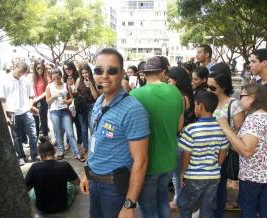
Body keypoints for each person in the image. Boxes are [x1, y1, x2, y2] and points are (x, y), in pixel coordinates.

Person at [80, 48, 150, 218]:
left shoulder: (133, 110)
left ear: (122, 73)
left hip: (114, 189)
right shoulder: (98, 101)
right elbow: (96, 139)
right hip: (94, 183)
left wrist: (129, 204)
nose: (104, 75)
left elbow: (141, 161)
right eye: (98, 70)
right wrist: (86, 171)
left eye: (112, 70)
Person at [218, 84, 267, 218]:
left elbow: (246, 151)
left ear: (252, 98)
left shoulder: (254, 119)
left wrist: (226, 128)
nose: (239, 99)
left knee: (249, 209)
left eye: (242, 96)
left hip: (253, 177)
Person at [130, 56, 184, 218]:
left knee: (148, 209)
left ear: (144, 74)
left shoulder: (135, 94)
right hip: (168, 159)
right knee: (162, 201)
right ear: (162, 72)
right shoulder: (175, 91)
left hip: (147, 162)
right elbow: (179, 127)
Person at [177, 91, 229, 217]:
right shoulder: (222, 129)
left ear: (200, 106)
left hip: (194, 176)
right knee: (208, 207)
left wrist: (182, 173)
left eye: (195, 105)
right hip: (214, 176)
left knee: (184, 204)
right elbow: (222, 157)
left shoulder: (191, 129)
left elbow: (186, 155)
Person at [207, 63, 245, 217]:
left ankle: (217, 213)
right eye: (207, 86)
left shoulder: (234, 105)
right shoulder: (208, 100)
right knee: (208, 186)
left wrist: (225, 131)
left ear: (223, 87)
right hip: (206, 151)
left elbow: (241, 132)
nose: (209, 90)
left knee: (220, 186)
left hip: (224, 153)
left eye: (212, 87)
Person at [0, 61, 38, 166]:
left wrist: (30, 105)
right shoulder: (4, 81)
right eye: (20, 72)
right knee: (16, 137)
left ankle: (34, 155)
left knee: (33, 134)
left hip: (26, 111)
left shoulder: (25, 80)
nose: (21, 74)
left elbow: (31, 96)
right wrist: (6, 116)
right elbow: (2, 100)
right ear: (15, 68)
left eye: (23, 73)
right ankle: (21, 157)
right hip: (12, 112)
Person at [167, 66, 195, 211]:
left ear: (177, 81)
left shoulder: (180, 98)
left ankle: (178, 201)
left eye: (170, 80)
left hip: (181, 139)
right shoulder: (186, 95)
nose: (168, 83)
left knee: (177, 175)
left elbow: (178, 123)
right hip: (185, 139)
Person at [25, 140, 80, 214]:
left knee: (32, 192)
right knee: (72, 185)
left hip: (42, 207)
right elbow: (77, 182)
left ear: (40, 154)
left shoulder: (34, 167)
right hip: (62, 205)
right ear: (54, 151)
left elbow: (25, 188)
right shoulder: (65, 165)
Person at [45, 68, 84, 161]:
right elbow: (47, 101)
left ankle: (77, 154)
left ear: (61, 76)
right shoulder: (49, 87)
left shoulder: (66, 86)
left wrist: (66, 101)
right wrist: (54, 96)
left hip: (65, 111)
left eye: (58, 78)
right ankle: (61, 152)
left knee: (70, 133)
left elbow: (71, 99)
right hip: (54, 112)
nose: (56, 80)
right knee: (58, 132)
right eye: (54, 78)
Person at [75, 63, 99, 154]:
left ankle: (93, 147)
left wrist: (90, 85)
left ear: (90, 72)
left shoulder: (94, 80)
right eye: (83, 73)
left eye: (87, 72)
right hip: (81, 107)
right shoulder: (78, 80)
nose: (85, 75)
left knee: (92, 128)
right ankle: (85, 146)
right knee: (84, 128)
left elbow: (96, 96)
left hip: (91, 106)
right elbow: (76, 93)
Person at [63, 61, 82, 148]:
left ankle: (79, 141)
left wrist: (73, 85)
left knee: (78, 123)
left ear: (72, 68)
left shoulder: (78, 77)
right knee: (68, 124)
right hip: (67, 104)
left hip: (77, 103)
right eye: (65, 69)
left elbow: (80, 91)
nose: (67, 70)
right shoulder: (64, 78)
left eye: (69, 68)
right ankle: (69, 142)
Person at [32, 60, 49, 140]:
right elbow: (31, 89)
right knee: (35, 121)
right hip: (34, 101)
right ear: (35, 68)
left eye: (42, 68)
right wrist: (34, 99)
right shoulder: (32, 78)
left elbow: (47, 91)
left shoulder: (46, 78)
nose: (40, 70)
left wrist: (38, 98)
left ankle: (46, 137)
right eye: (38, 68)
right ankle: (36, 139)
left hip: (43, 101)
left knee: (43, 120)